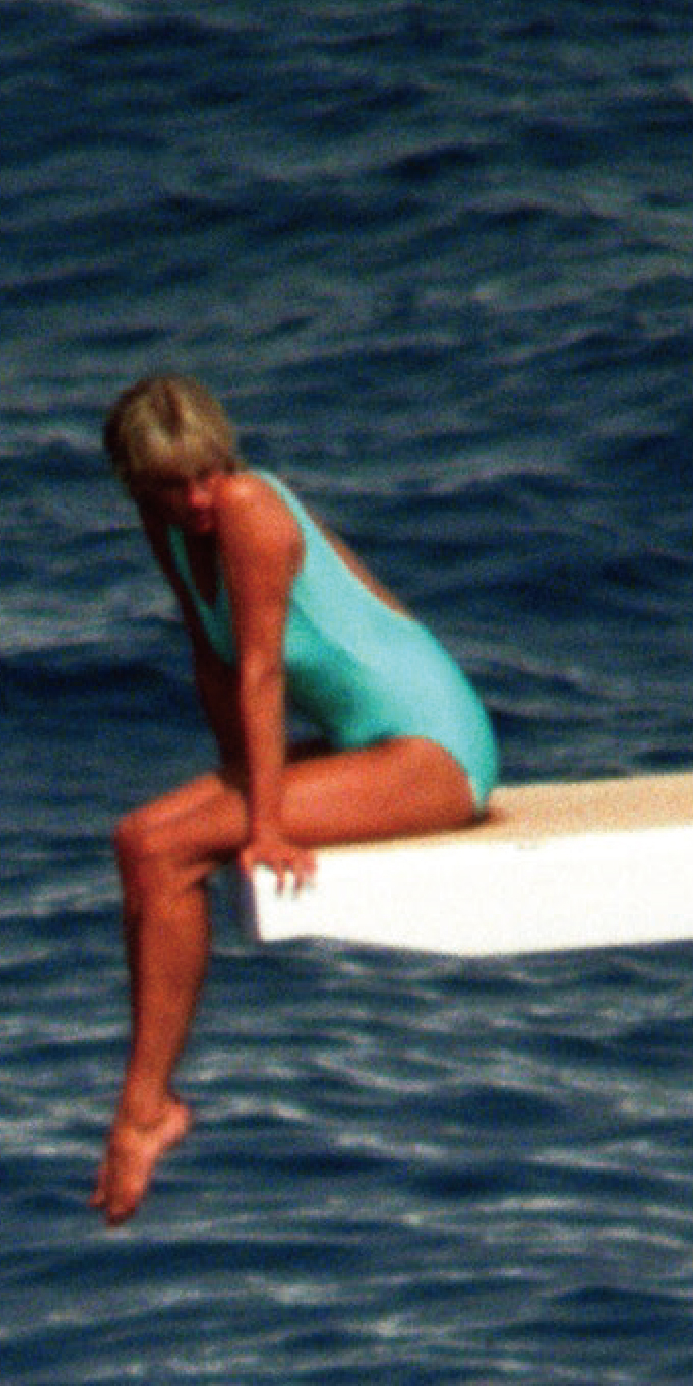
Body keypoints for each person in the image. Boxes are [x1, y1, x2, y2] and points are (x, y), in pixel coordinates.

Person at [91, 374, 500, 1224]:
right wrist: (234, 780)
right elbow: (210, 661)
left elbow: (262, 670)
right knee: (139, 839)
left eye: (206, 473)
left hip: (434, 748)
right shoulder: (167, 525)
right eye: (174, 483)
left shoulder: (246, 507)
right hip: (369, 744)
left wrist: (264, 824)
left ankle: (143, 1112)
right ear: (140, 485)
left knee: (170, 849)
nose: (197, 497)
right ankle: (144, 1102)